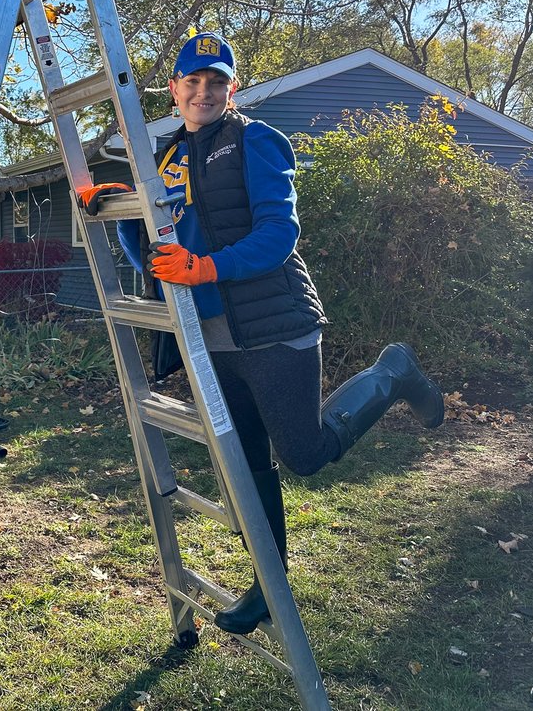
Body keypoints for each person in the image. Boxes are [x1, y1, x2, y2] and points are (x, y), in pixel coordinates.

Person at [82, 32, 443, 636]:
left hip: (276, 328)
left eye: (215, 82)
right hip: (213, 336)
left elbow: (280, 234)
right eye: (192, 83)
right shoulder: (165, 159)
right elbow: (158, 254)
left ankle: (392, 371)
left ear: (231, 88)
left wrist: (207, 267)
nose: (203, 93)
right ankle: (268, 587)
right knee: (246, 465)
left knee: (301, 455)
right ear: (173, 90)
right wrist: (119, 210)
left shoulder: (256, 141)